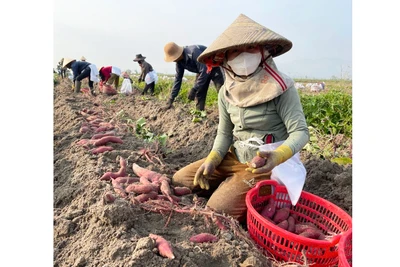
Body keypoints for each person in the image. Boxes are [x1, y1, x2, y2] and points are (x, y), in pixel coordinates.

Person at [171, 14, 310, 222]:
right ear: (225, 58)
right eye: (235, 50)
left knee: (217, 211)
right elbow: (225, 132)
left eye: (251, 48)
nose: (243, 55)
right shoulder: (226, 92)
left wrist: (277, 156)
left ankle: (235, 193)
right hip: (235, 156)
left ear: (264, 51)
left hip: (264, 164)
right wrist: (213, 158)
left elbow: (300, 132)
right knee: (179, 180)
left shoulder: (281, 88)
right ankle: (230, 185)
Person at [163, 42, 225, 111]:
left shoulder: (193, 52)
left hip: (214, 67)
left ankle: (228, 114)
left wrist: (194, 88)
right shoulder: (179, 63)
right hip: (202, 70)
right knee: (199, 93)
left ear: (178, 54)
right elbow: (178, 79)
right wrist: (171, 98)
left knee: (221, 91)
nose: (173, 60)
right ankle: (199, 113)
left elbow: (204, 70)